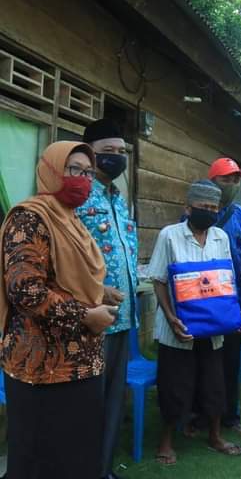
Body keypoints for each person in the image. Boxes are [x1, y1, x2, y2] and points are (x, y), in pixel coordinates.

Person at [0, 141, 117, 478]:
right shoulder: (29, 218)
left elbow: (66, 279)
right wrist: (85, 314)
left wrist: (101, 292)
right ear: (51, 169)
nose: (82, 179)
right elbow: (25, 289)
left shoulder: (73, 221)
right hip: (42, 368)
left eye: (88, 173)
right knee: (39, 461)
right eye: (73, 169)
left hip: (82, 363)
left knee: (76, 458)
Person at [147, 180, 241, 465]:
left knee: (215, 382)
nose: (209, 212)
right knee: (174, 383)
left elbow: (226, 282)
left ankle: (215, 436)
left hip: (214, 327)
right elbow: (159, 280)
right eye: (202, 207)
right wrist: (170, 317)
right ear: (187, 207)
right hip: (179, 328)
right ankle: (166, 440)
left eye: (213, 208)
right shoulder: (170, 236)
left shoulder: (220, 237)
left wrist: (237, 314)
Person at [78, 119, 138, 479]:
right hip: (91, 316)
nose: (116, 159)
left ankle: (102, 470)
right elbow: (63, 256)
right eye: (107, 153)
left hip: (124, 316)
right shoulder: (78, 195)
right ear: (90, 155)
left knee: (114, 401)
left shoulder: (118, 196)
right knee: (87, 400)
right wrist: (95, 289)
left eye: (121, 153)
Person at [208, 157, 241, 433]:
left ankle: (230, 415)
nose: (232, 184)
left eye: (236, 179)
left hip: (236, 301)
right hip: (203, 298)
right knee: (203, 357)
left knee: (231, 359)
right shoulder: (198, 210)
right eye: (226, 178)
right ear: (213, 180)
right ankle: (200, 412)